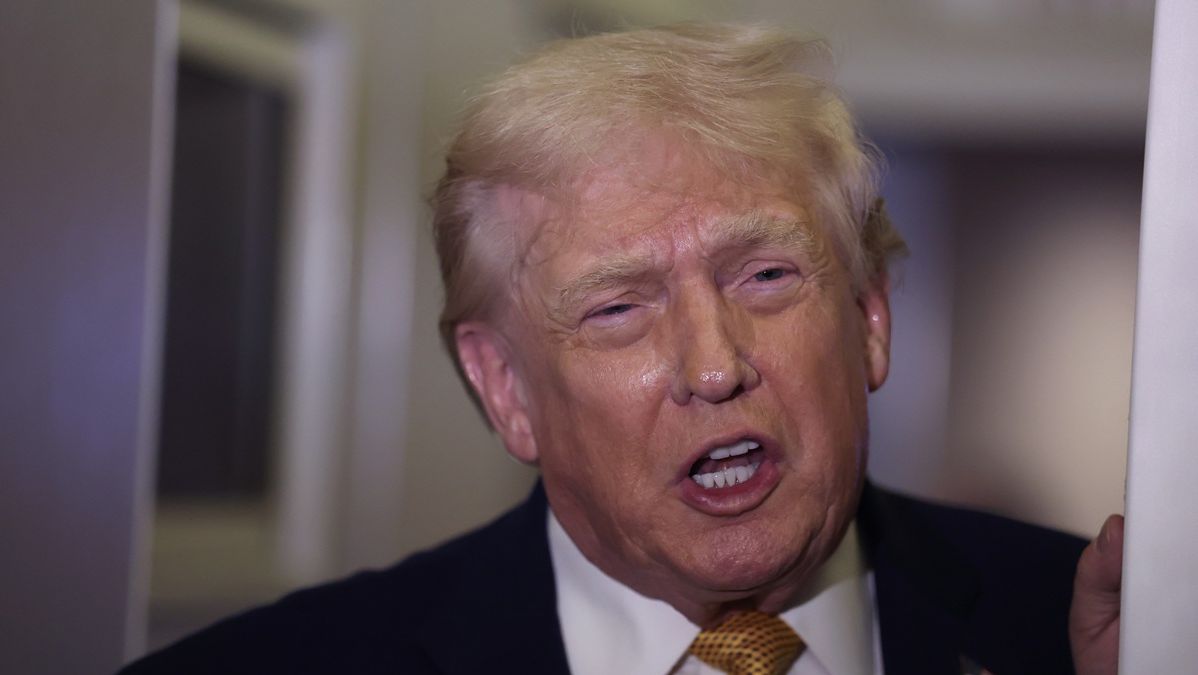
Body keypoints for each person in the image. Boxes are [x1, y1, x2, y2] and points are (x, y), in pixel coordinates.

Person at [121, 23, 1121, 675]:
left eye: (766, 277)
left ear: (869, 318)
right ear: (505, 387)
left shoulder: (1095, 635)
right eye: (617, 308)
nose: (714, 365)